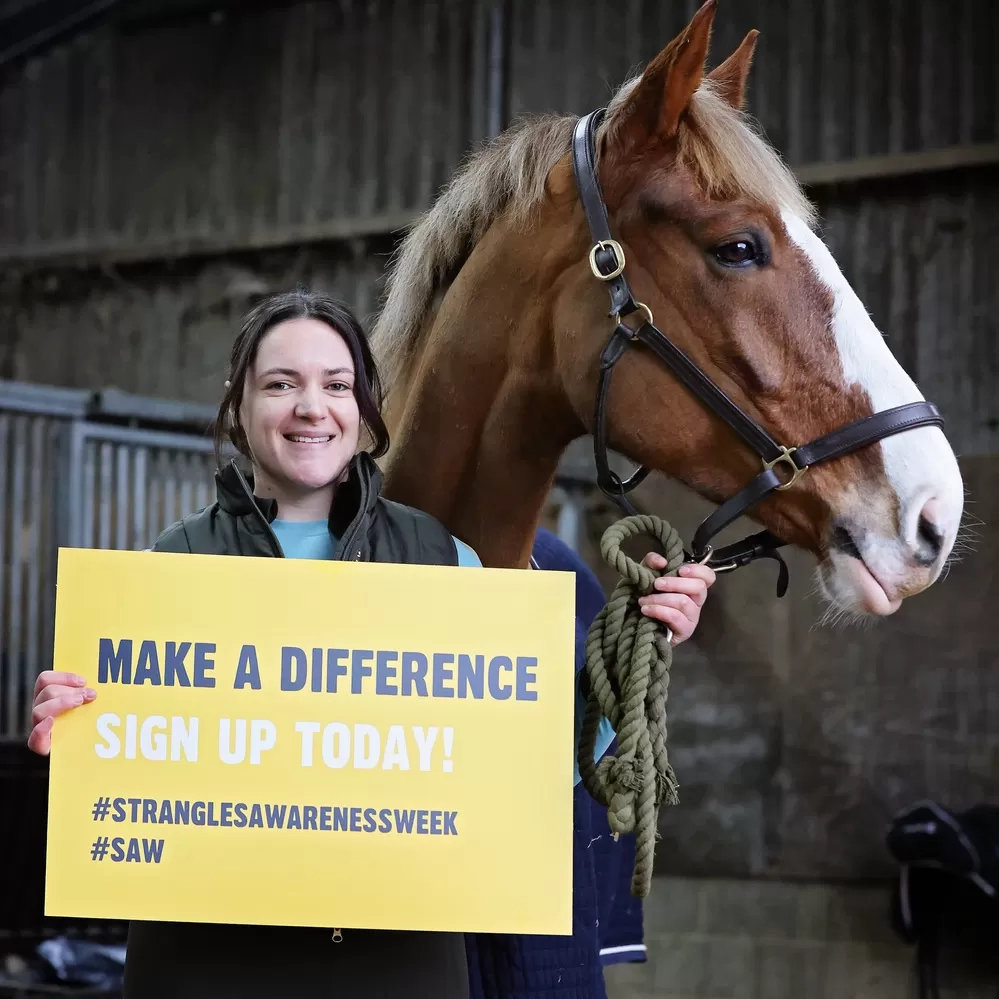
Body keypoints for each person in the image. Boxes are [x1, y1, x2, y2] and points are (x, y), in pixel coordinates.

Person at [26, 290, 715, 998]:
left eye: (336, 384)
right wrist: (70, 733)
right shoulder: (168, 566)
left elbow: (539, 768)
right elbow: (130, 779)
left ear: (363, 408)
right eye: (280, 383)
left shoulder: (445, 561)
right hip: (207, 958)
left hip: (395, 960)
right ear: (239, 406)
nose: (310, 406)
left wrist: (637, 642)